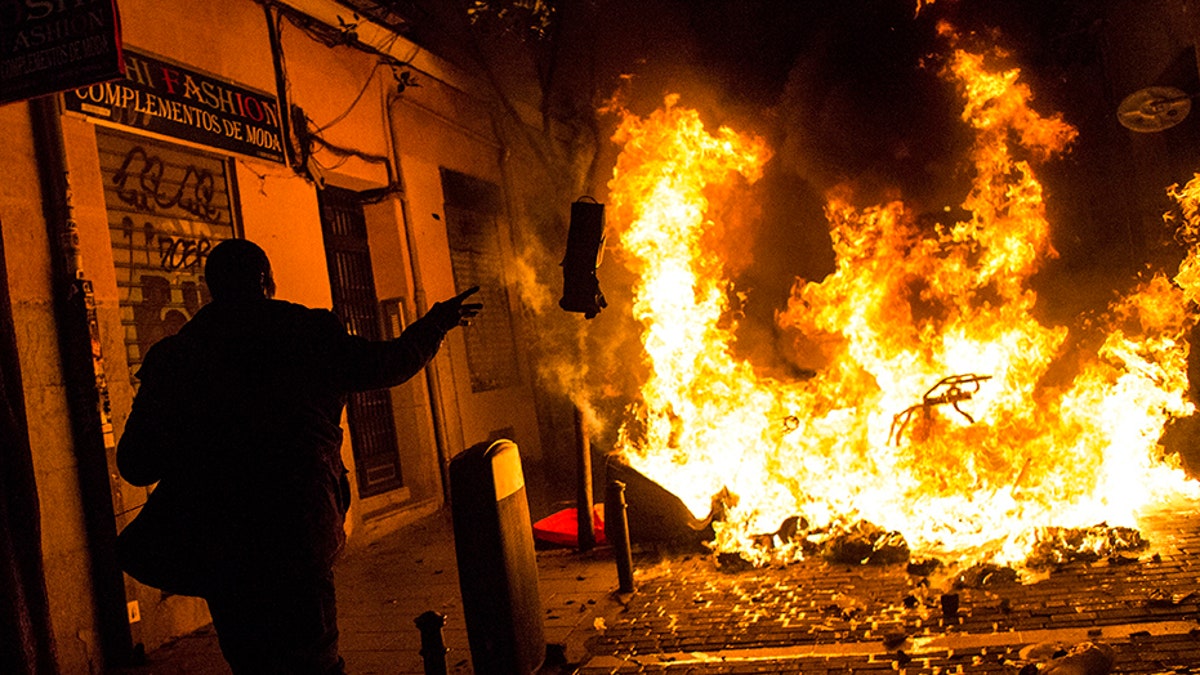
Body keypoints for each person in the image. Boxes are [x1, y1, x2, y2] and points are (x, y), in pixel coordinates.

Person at [116, 238, 481, 674]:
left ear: (211, 286)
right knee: (314, 658)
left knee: (253, 661)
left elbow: (136, 464)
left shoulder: (175, 357)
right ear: (267, 282)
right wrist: (436, 323)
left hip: (222, 541)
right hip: (299, 527)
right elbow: (389, 364)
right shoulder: (309, 334)